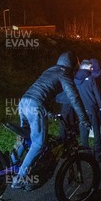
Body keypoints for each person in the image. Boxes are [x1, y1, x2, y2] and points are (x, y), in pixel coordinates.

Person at [12, 51, 90, 190]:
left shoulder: (50, 70)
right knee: (39, 143)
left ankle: (12, 164)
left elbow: (45, 91)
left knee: (26, 137)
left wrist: (48, 112)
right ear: (72, 66)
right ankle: (20, 178)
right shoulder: (64, 74)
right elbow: (74, 98)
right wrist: (84, 119)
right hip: (36, 106)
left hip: (24, 102)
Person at [74, 59, 101, 161]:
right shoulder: (91, 79)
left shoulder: (75, 79)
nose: (92, 69)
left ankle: (85, 153)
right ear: (85, 67)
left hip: (81, 109)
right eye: (90, 67)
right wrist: (100, 106)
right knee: (96, 130)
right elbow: (97, 94)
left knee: (83, 131)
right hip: (92, 108)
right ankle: (98, 154)